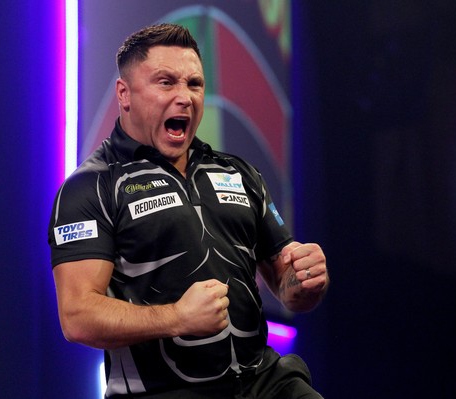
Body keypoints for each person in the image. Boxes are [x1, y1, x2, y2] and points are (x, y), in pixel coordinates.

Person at [48, 23, 329, 398]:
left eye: (194, 84)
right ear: (124, 94)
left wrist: (305, 279)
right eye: (166, 82)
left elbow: (288, 288)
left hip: (265, 382)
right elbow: (77, 317)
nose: (185, 97)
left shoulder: (239, 173)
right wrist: (177, 318)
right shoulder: (90, 187)